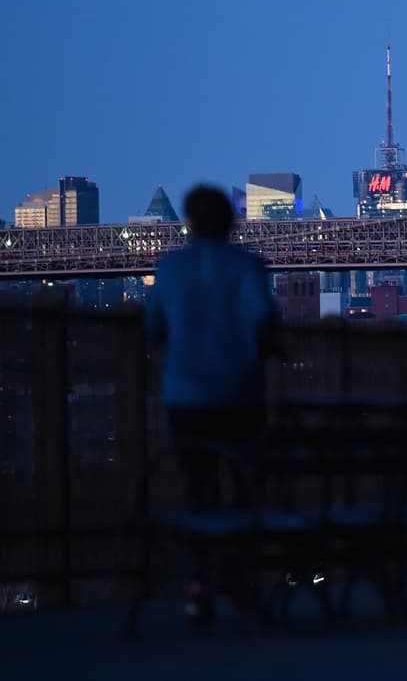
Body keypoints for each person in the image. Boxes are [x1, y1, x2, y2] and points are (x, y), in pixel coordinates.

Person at [146, 185, 277, 624]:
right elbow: (265, 323)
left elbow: (152, 329)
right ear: (231, 223)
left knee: (198, 489)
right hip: (240, 395)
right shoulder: (246, 266)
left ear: (190, 222)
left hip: (185, 399)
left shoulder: (169, 268)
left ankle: (199, 584)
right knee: (245, 487)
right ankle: (239, 577)